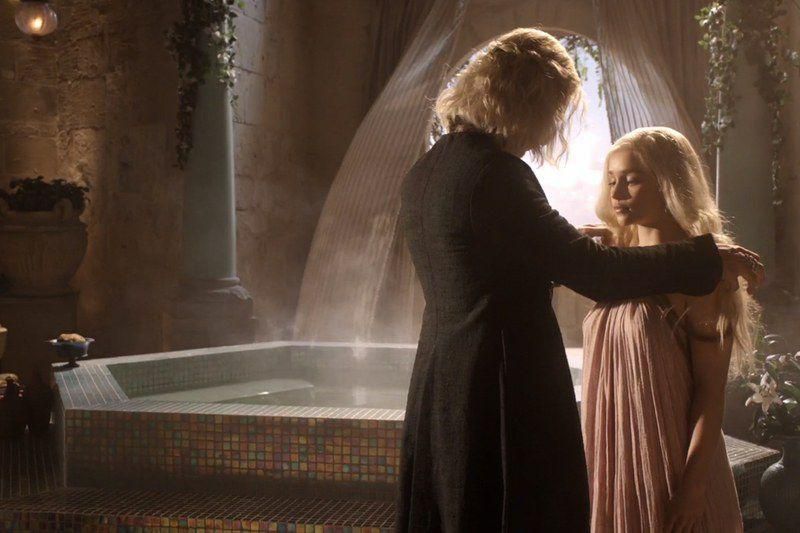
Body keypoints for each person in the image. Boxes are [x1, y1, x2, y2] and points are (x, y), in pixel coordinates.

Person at [397, 27, 764, 532]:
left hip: (441, 383)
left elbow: (494, 263)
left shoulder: (426, 172)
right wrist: (706, 255)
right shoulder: (496, 174)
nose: (548, 132)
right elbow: (598, 275)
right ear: (529, 102)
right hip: (501, 387)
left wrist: (576, 244)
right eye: (552, 113)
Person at [581, 127, 753, 532]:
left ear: (668, 183)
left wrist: (693, 488)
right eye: (611, 180)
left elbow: (710, 393)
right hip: (615, 464)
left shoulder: (701, 275)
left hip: (671, 465)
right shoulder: (615, 262)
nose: (617, 193)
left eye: (632, 179)